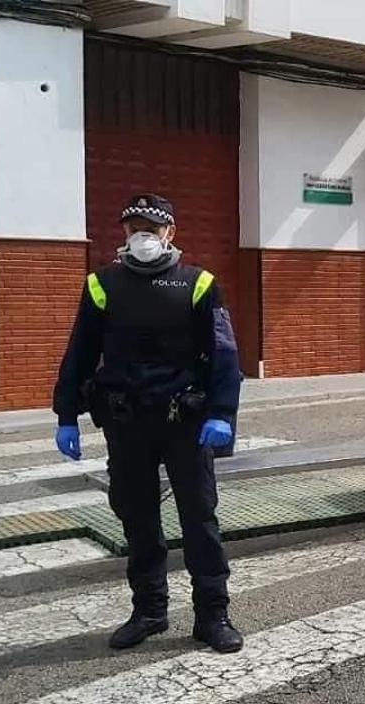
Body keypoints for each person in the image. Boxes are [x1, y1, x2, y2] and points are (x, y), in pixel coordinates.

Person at [52, 194, 245, 653]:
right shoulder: (102, 284)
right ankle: (149, 611)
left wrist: (222, 413)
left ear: (170, 232)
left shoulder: (198, 283)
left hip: (184, 423)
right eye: (134, 227)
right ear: (123, 232)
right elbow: (80, 351)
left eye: (152, 228)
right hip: (127, 423)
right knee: (137, 519)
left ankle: (212, 615)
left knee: (199, 520)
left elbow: (224, 353)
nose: (143, 236)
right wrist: (66, 416)